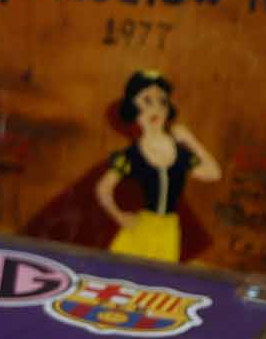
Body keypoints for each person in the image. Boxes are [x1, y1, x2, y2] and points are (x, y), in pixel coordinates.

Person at [91, 71, 222, 264]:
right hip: (141, 227)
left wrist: (190, 140)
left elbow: (214, 173)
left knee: (162, 275)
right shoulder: (131, 155)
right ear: (133, 109)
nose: (156, 109)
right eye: (147, 101)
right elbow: (103, 189)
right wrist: (120, 216)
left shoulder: (180, 153)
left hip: (169, 230)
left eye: (162, 102)